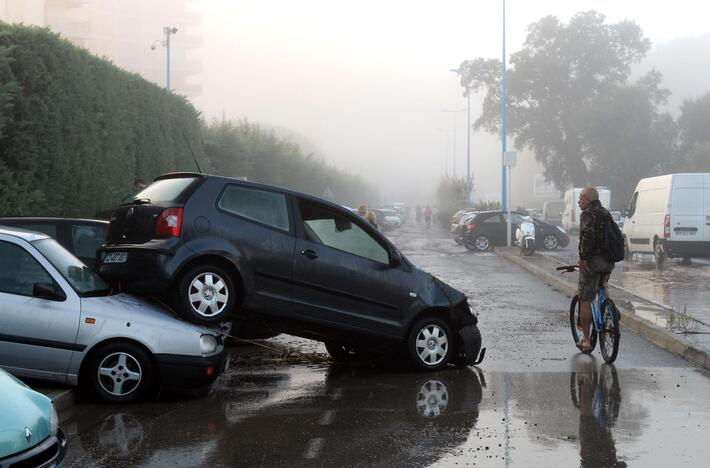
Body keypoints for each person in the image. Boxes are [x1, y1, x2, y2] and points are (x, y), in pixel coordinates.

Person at [577, 187, 615, 353]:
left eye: (580, 199)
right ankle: (612, 310)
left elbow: (588, 235)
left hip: (593, 262)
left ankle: (586, 340)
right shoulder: (606, 213)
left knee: (585, 297)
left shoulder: (587, 214)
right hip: (609, 262)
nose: (578, 202)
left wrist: (583, 258)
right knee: (602, 284)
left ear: (587, 199)